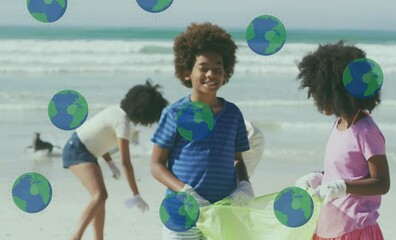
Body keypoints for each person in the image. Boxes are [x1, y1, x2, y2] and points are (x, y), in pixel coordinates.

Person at [150, 22, 255, 240]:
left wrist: (244, 184)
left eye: (218, 69)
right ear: (187, 73)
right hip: (181, 214)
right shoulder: (174, 113)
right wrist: (185, 191)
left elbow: (237, 160)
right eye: (204, 67)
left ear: (226, 73)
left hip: (221, 214)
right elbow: (156, 165)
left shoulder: (233, 114)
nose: (211, 74)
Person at [294, 41, 390, 240]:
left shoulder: (366, 130)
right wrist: (319, 177)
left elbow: (382, 183)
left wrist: (344, 186)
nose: (317, 100)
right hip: (329, 225)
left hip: (354, 228)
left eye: (320, 93)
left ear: (337, 91)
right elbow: (344, 169)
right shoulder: (339, 124)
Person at [62, 81, 168, 240]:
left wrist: (111, 164)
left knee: (100, 199)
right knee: (100, 195)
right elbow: (126, 162)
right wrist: (136, 194)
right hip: (77, 151)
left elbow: (97, 139)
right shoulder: (123, 122)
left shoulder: (115, 111)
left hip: (84, 150)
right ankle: (75, 237)